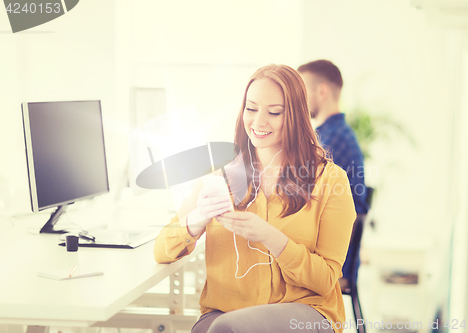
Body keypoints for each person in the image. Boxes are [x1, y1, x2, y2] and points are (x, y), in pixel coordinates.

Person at [154, 64, 356, 333]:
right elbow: (161, 250)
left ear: (296, 116)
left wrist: (270, 236)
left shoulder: (330, 180)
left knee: (225, 329)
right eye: (251, 109)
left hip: (306, 311)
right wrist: (196, 220)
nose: (259, 122)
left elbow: (325, 280)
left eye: (274, 112)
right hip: (225, 313)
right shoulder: (220, 176)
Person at [297, 60, 369, 290]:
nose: (298, 99)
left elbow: (302, 196)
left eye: (302, 90)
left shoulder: (330, 142)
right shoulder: (332, 134)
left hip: (333, 263)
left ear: (322, 91)